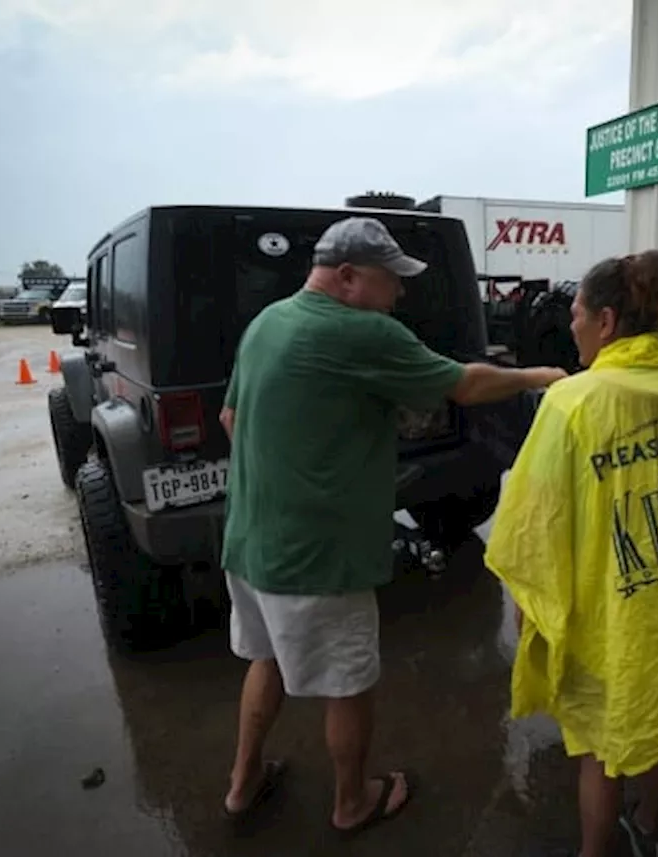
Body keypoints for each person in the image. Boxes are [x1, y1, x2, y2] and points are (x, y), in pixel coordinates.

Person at [216, 216, 567, 836]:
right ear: (348, 277)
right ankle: (352, 802)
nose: (398, 295)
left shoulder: (267, 323)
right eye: (390, 281)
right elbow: (464, 385)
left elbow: (229, 419)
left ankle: (243, 785)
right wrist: (541, 377)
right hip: (320, 553)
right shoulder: (361, 331)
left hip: (250, 540)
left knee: (265, 659)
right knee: (349, 682)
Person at [485, 250, 658, 857]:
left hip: (607, 613)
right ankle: (649, 828)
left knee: (603, 751)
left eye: (577, 314)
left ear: (606, 322)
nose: (571, 326)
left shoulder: (575, 401)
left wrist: (533, 608)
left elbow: (534, 524)